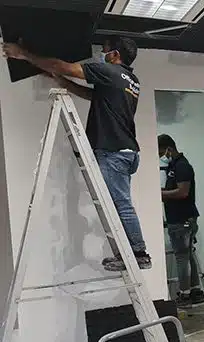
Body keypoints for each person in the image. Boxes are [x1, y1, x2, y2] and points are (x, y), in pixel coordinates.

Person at [3, 38, 151, 271]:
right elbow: (94, 96)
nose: (100, 54)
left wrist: (23, 54)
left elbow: (63, 66)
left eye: (104, 51)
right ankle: (131, 252)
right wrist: (63, 82)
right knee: (119, 203)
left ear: (115, 55)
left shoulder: (109, 71)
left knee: (121, 204)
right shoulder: (130, 80)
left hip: (113, 151)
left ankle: (139, 254)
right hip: (126, 151)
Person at [158, 134, 204, 306]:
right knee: (187, 255)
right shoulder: (173, 166)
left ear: (169, 149)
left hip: (181, 219)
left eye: (161, 152)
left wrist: (160, 194)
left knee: (181, 257)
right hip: (181, 218)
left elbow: (183, 192)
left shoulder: (182, 166)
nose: (161, 156)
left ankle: (185, 294)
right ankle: (196, 291)